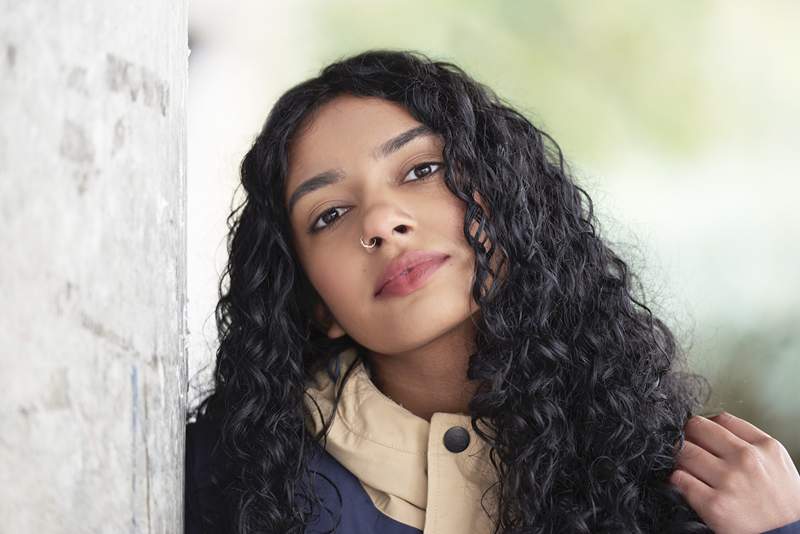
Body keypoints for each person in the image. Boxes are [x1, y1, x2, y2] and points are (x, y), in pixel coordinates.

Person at [185, 49, 800, 533]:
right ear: (317, 303)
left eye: (421, 171)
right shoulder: (226, 482)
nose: (380, 222)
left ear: (508, 199)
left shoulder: (677, 479)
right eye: (329, 215)